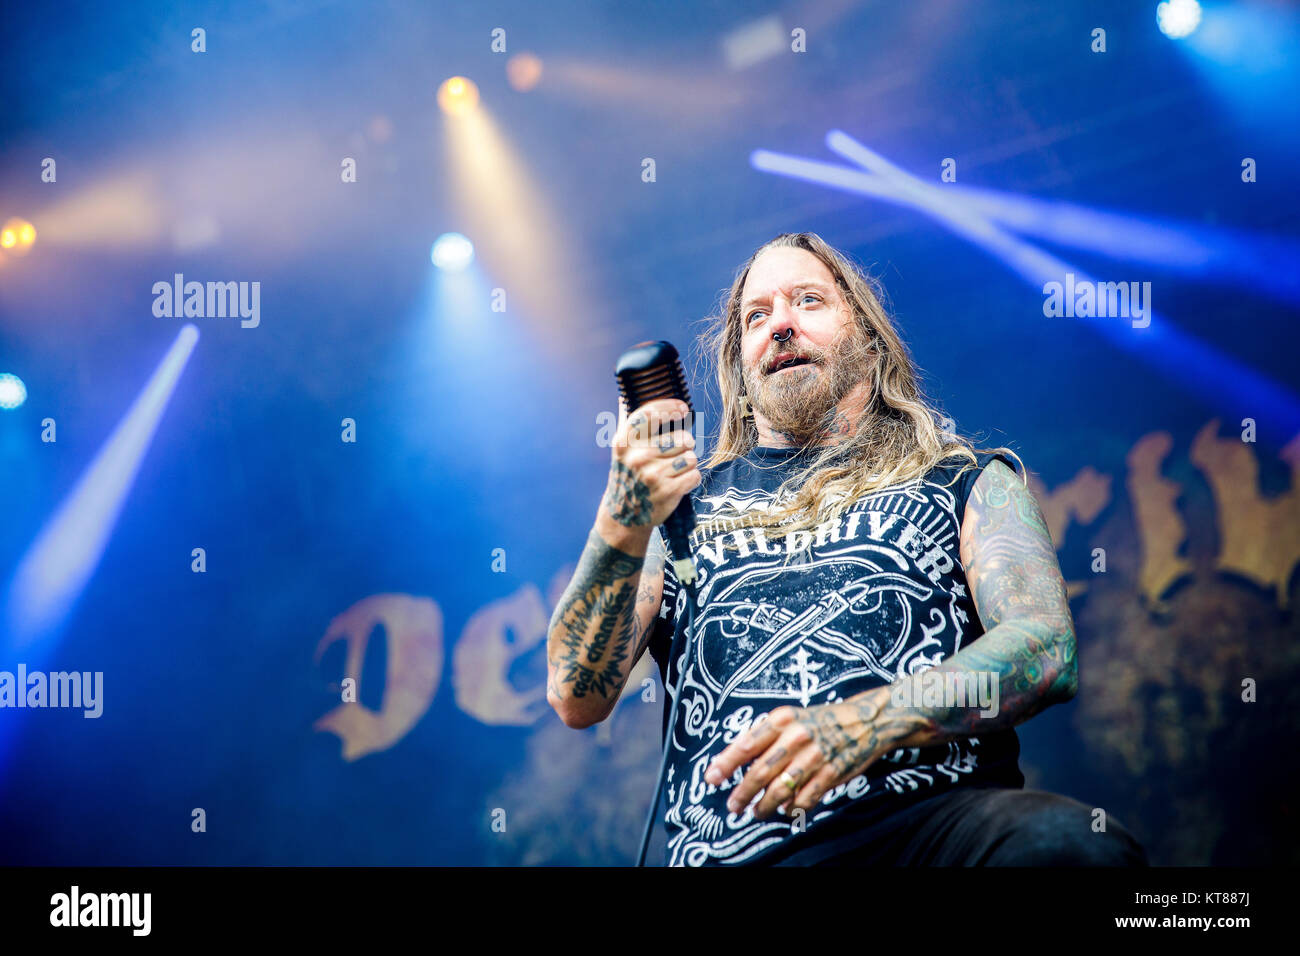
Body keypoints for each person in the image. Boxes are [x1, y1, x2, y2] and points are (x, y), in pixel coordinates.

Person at [546, 232, 1147, 867]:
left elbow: (1046, 648)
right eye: (756, 316)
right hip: (741, 853)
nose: (780, 325)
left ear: (866, 335)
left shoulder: (965, 481)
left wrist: (867, 723)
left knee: (1069, 846)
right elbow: (575, 693)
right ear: (739, 367)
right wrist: (620, 518)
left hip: (932, 828)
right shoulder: (679, 515)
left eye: (808, 300)